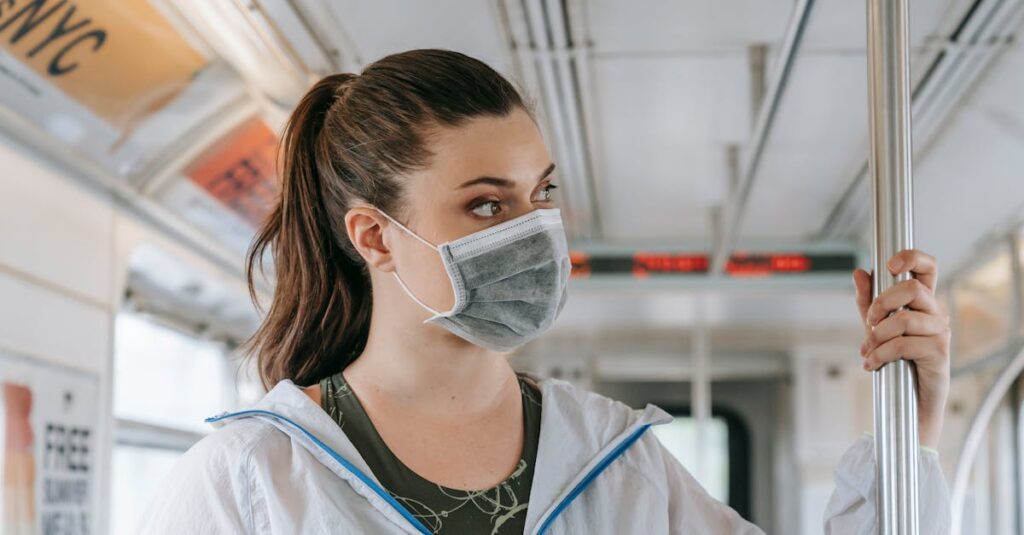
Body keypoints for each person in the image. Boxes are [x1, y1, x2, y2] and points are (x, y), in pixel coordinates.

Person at [136, 49, 951, 534]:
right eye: (487, 204)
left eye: (543, 194)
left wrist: (906, 434)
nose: (535, 232)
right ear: (375, 236)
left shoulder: (613, 460)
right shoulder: (252, 479)